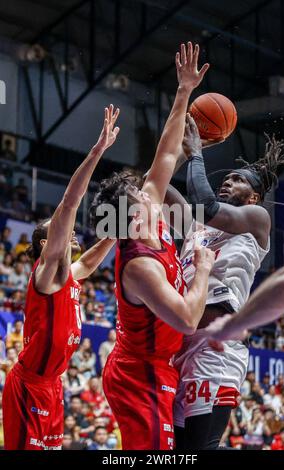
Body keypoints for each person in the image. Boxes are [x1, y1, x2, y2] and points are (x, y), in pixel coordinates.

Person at [90, 42, 215, 450]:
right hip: (137, 375)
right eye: (141, 196)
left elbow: (165, 152)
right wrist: (204, 266)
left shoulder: (147, 215)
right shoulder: (139, 266)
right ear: (132, 217)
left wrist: (184, 90)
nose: (150, 191)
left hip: (159, 365)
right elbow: (185, 320)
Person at [165, 119, 284, 449]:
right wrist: (178, 151)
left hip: (215, 350)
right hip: (180, 348)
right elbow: (156, 184)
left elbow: (206, 205)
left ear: (254, 197)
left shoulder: (256, 220)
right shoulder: (194, 224)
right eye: (227, 178)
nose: (227, 182)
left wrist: (195, 156)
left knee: (199, 449)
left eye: (236, 180)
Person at [2, 105, 119, 450]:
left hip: (53, 385)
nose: (67, 230)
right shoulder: (48, 271)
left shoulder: (69, 276)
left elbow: (93, 260)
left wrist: (117, 231)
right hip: (29, 385)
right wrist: (98, 151)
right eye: (57, 230)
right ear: (45, 243)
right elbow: (69, 203)